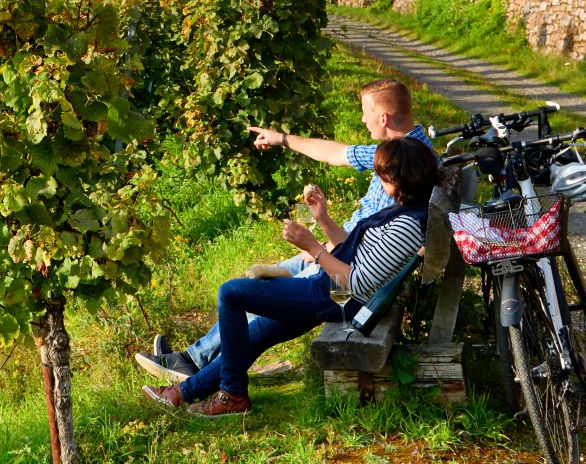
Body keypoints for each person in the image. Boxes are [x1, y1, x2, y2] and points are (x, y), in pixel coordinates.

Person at [134, 80, 433, 382]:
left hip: (347, 273)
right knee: (260, 283)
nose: (362, 119)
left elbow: (367, 265)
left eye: (365, 112)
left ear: (383, 118)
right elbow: (337, 154)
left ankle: (207, 376)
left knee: (249, 296)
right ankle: (196, 363)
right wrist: (325, 230)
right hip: (344, 255)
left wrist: (320, 249)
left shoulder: (403, 161)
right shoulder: (400, 153)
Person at [140, 136, 441, 418]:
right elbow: (354, 249)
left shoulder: (408, 226)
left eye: (383, 176)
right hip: (334, 290)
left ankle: (231, 394)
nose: (379, 179)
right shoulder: (405, 209)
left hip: (337, 298)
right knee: (258, 333)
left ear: (402, 180)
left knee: (231, 293)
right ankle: (181, 394)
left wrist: (312, 247)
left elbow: (358, 283)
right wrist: (322, 218)